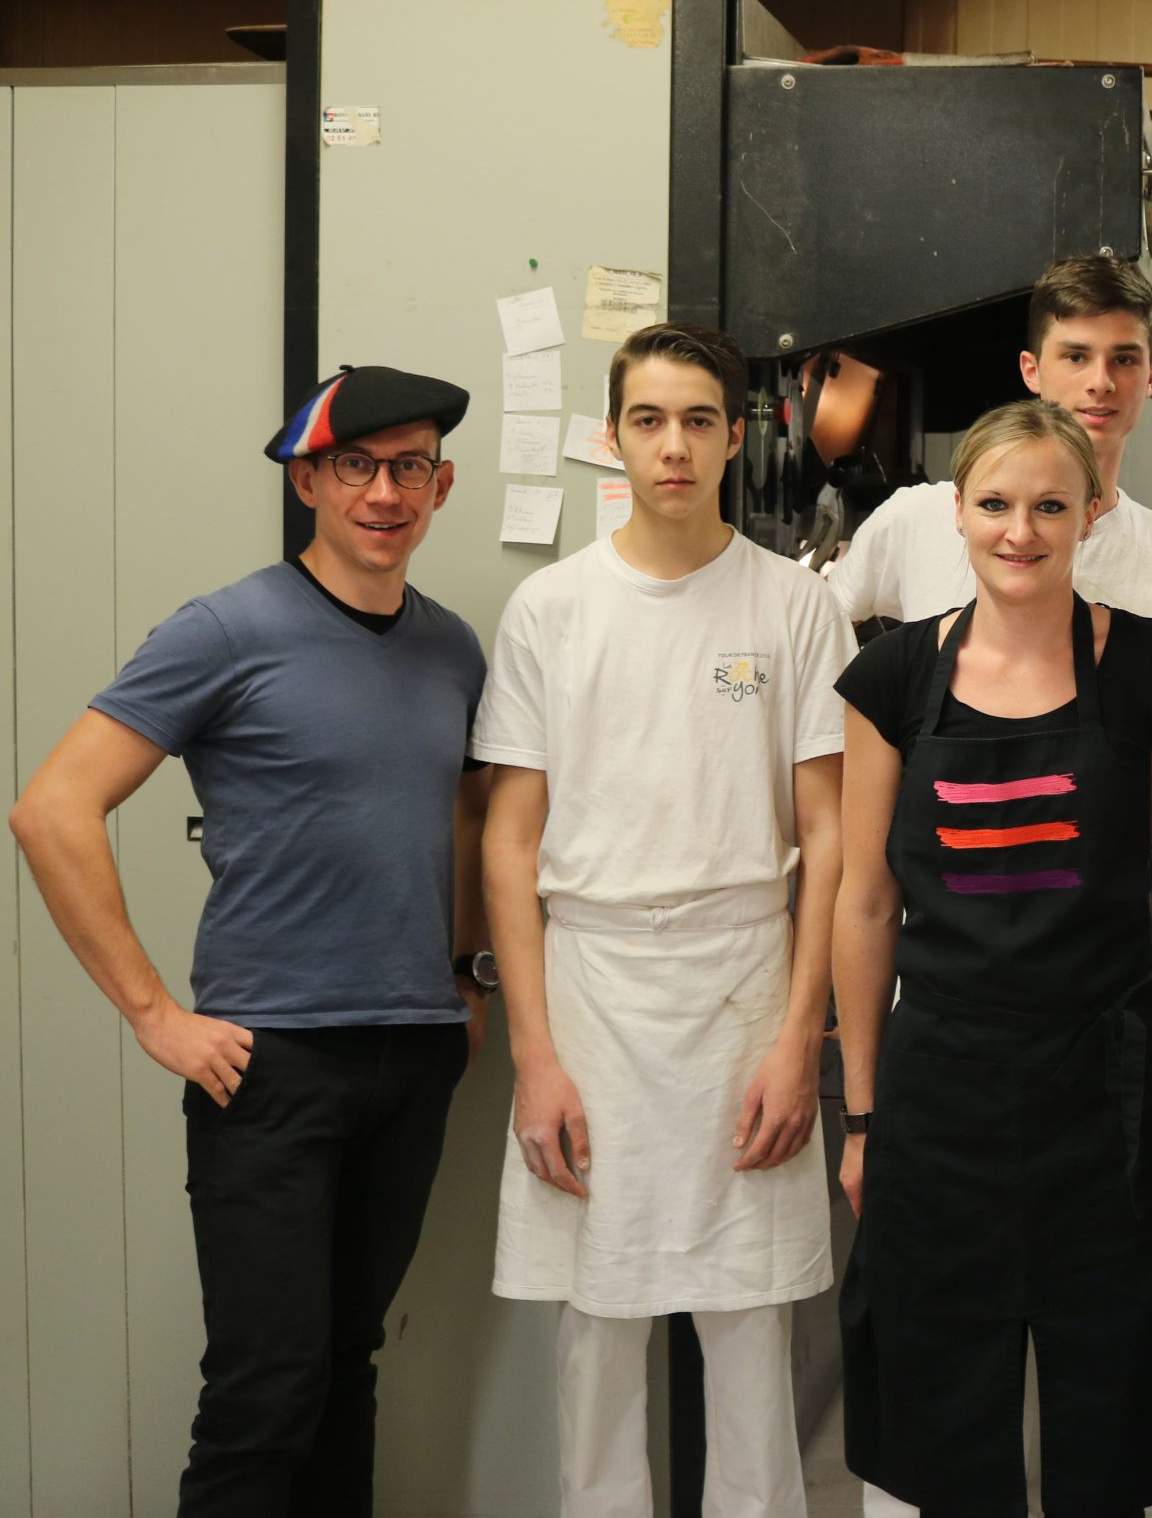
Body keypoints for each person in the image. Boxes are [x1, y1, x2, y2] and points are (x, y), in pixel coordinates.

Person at [9, 365, 488, 1516]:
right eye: (357, 467)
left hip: (415, 1055)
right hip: (269, 1064)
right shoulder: (227, 629)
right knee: (265, 1390)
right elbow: (52, 809)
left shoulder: (456, 650)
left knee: (344, 1371)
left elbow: (468, 826)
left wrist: (467, 983)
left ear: (444, 482)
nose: (386, 492)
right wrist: (153, 1015)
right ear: (309, 480)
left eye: (410, 465)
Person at [474, 322, 847, 1517]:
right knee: (599, 1338)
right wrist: (535, 1059)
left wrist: (800, 1042)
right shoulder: (551, 610)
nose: (674, 446)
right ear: (613, 438)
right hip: (590, 994)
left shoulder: (792, 606)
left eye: (698, 421)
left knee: (750, 1332)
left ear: (734, 438)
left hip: (745, 985)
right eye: (648, 420)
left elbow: (829, 842)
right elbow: (508, 843)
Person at [833, 398, 1152, 1514]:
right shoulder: (895, 680)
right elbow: (864, 905)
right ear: (954, 513)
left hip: (1110, 1093)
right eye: (996, 504)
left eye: (1050, 505)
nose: (1021, 530)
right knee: (940, 1410)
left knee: (1118, 1408)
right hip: (941, 1094)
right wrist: (862, 1116)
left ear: (1091, 514)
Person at [828, 255, 1152, 626]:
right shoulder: (914, 521)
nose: (1100, 382)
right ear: (1031, 370)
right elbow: (818, 640)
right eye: (1076, 356)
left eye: (1124, 359)